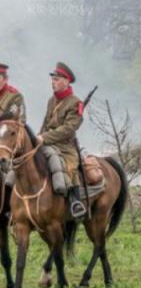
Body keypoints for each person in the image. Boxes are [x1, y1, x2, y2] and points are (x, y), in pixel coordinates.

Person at [37, 62, 86, 218]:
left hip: (65, 146)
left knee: (69, 169)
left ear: (66, 81)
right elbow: (45, 123)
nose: (53, 82)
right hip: (47, 142)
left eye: (57, 79)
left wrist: (44, 138)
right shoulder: (52, 100)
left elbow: (68, 129)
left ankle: (75, 202)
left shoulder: (75, 103)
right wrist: (36, 139)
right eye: (53, 79)